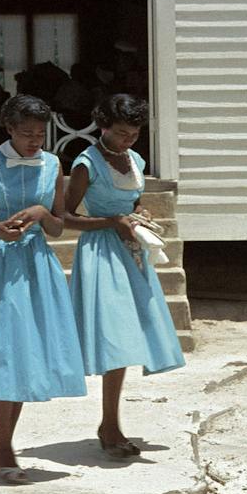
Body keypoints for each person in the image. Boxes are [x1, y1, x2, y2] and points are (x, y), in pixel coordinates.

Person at [0, 94, 86, 482]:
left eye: (40, 134)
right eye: (26, 133)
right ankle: (4, 446)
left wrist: (43, 212)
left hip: (36, 265)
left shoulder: (52, 164)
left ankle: (3, 444)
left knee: (26, 352)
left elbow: (59, 226)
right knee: (4, 351)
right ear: (9, 129)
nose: (35, 141)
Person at [58, 95, 184, 458]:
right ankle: (109, 424)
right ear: (104, 127)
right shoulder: (87, 163)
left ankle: (110, 423)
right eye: (122, 133)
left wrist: (137, 214)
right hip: (102, 252)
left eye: (134, 134)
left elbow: (132, 202)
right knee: (115, 338)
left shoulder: (135, 160)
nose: (129, 140)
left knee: (130, 336)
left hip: (132, 252)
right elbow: (66, 216)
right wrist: (112, 222)